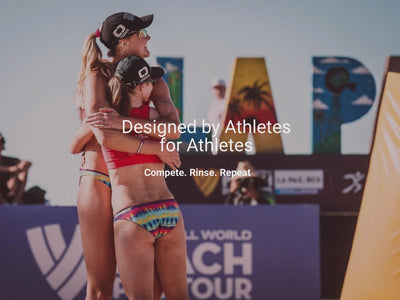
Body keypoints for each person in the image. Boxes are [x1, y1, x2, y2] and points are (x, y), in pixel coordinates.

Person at [69, 12, 181, 300]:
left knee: (153, 291)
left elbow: (174, 130)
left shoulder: (152, 79)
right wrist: (156, 144)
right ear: (121, 42)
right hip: (99, 179)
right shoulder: (98, 75)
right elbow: (104, 136)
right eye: (142, 34)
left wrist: (117, 120)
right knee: (100, 287)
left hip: (133, 188)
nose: (148, 37)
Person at [100, 56, 188, 299]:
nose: (154, 87)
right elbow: (174, 130)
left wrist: (121, 122)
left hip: (133, 214)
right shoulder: (152, 117)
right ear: (141, 86)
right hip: (168, 209)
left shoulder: (108, 119)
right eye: (151, 82)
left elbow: (76, 145)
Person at [0, 133, 31, 205]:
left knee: (23, 173)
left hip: (9, 191)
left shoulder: (10, 160)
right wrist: (11, 169)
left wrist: (14, 175)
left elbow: (27, 163)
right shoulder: (11, 166)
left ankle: (15, 203)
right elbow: (12, 169)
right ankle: (3, 203)